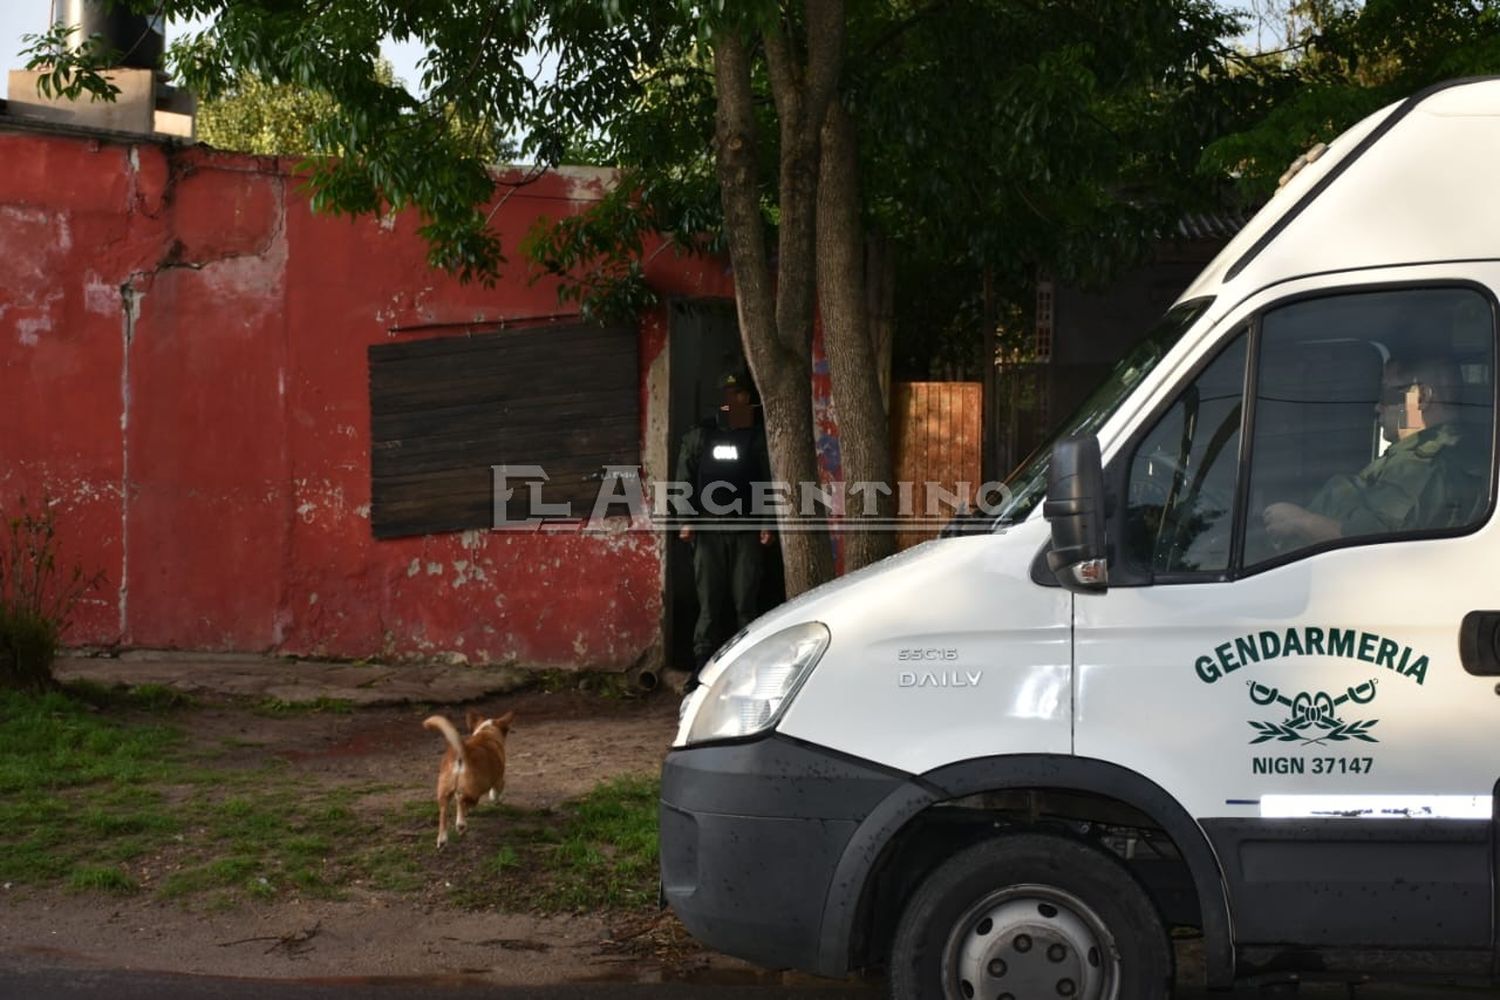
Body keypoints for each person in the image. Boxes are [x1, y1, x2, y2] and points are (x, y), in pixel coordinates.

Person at [1262, 355, 1485, 548]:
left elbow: (1374, 543)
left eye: (1386, 396)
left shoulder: (1425, 465)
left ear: (1421, 398)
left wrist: (1301, 522)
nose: (1378, 407)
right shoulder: (1442, 453)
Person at [676, 367, 775, 677]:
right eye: (731, 395)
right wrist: (686, 520)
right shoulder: (700, 434)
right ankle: (702, 669)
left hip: (746, 528)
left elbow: (768, 481)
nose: (737, 399)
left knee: (745, 602)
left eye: (742, 394)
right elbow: (684, 479)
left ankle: (748, 668)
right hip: (708, 530)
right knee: (709, 603)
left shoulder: (757, 436)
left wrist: (767, 522)